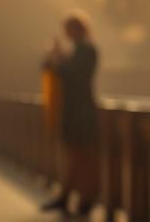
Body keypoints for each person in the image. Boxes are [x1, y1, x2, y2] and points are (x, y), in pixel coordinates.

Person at [41, 12, 99, 215]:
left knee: (83, 156)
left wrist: (58, 58)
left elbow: (74, 75)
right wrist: (53, 56)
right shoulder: (75, 51)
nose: (66, 33)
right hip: (72, 110)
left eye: (69, 29)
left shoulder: (87, 50)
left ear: (77, 29)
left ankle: (86, 198)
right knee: (73, 156)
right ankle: (66, 196)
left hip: (81, 111)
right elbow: (48, 67)